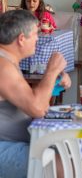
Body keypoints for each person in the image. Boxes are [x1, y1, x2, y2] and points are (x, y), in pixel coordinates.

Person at [0, 10, 71, 178]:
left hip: (17, 142)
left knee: (73, 152)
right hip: (5, 147)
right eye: (35, 34)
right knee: (69, 166)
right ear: (21, 39)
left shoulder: (7, 61)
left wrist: (53, 78)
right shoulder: (3, 66)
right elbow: (38, 108)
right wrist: (51, 71)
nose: (38, 39)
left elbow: (29, 99)